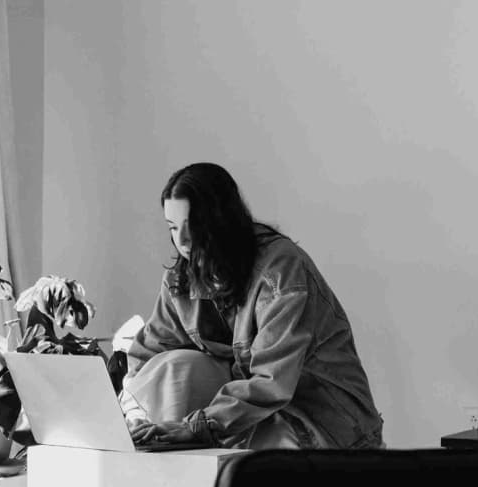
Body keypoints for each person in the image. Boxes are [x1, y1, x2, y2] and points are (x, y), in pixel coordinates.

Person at [122, 162, 383, 450]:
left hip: (321, 421)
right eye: (173, 227)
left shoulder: (280, 269)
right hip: (248, 415)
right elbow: (147, 357)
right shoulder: (180, 279)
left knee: (244, 460)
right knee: (172, 366)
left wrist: (196, 427)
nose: (182, 240)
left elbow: (272, 382)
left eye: (192, 225)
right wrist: (133, 417)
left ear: (220, 221)